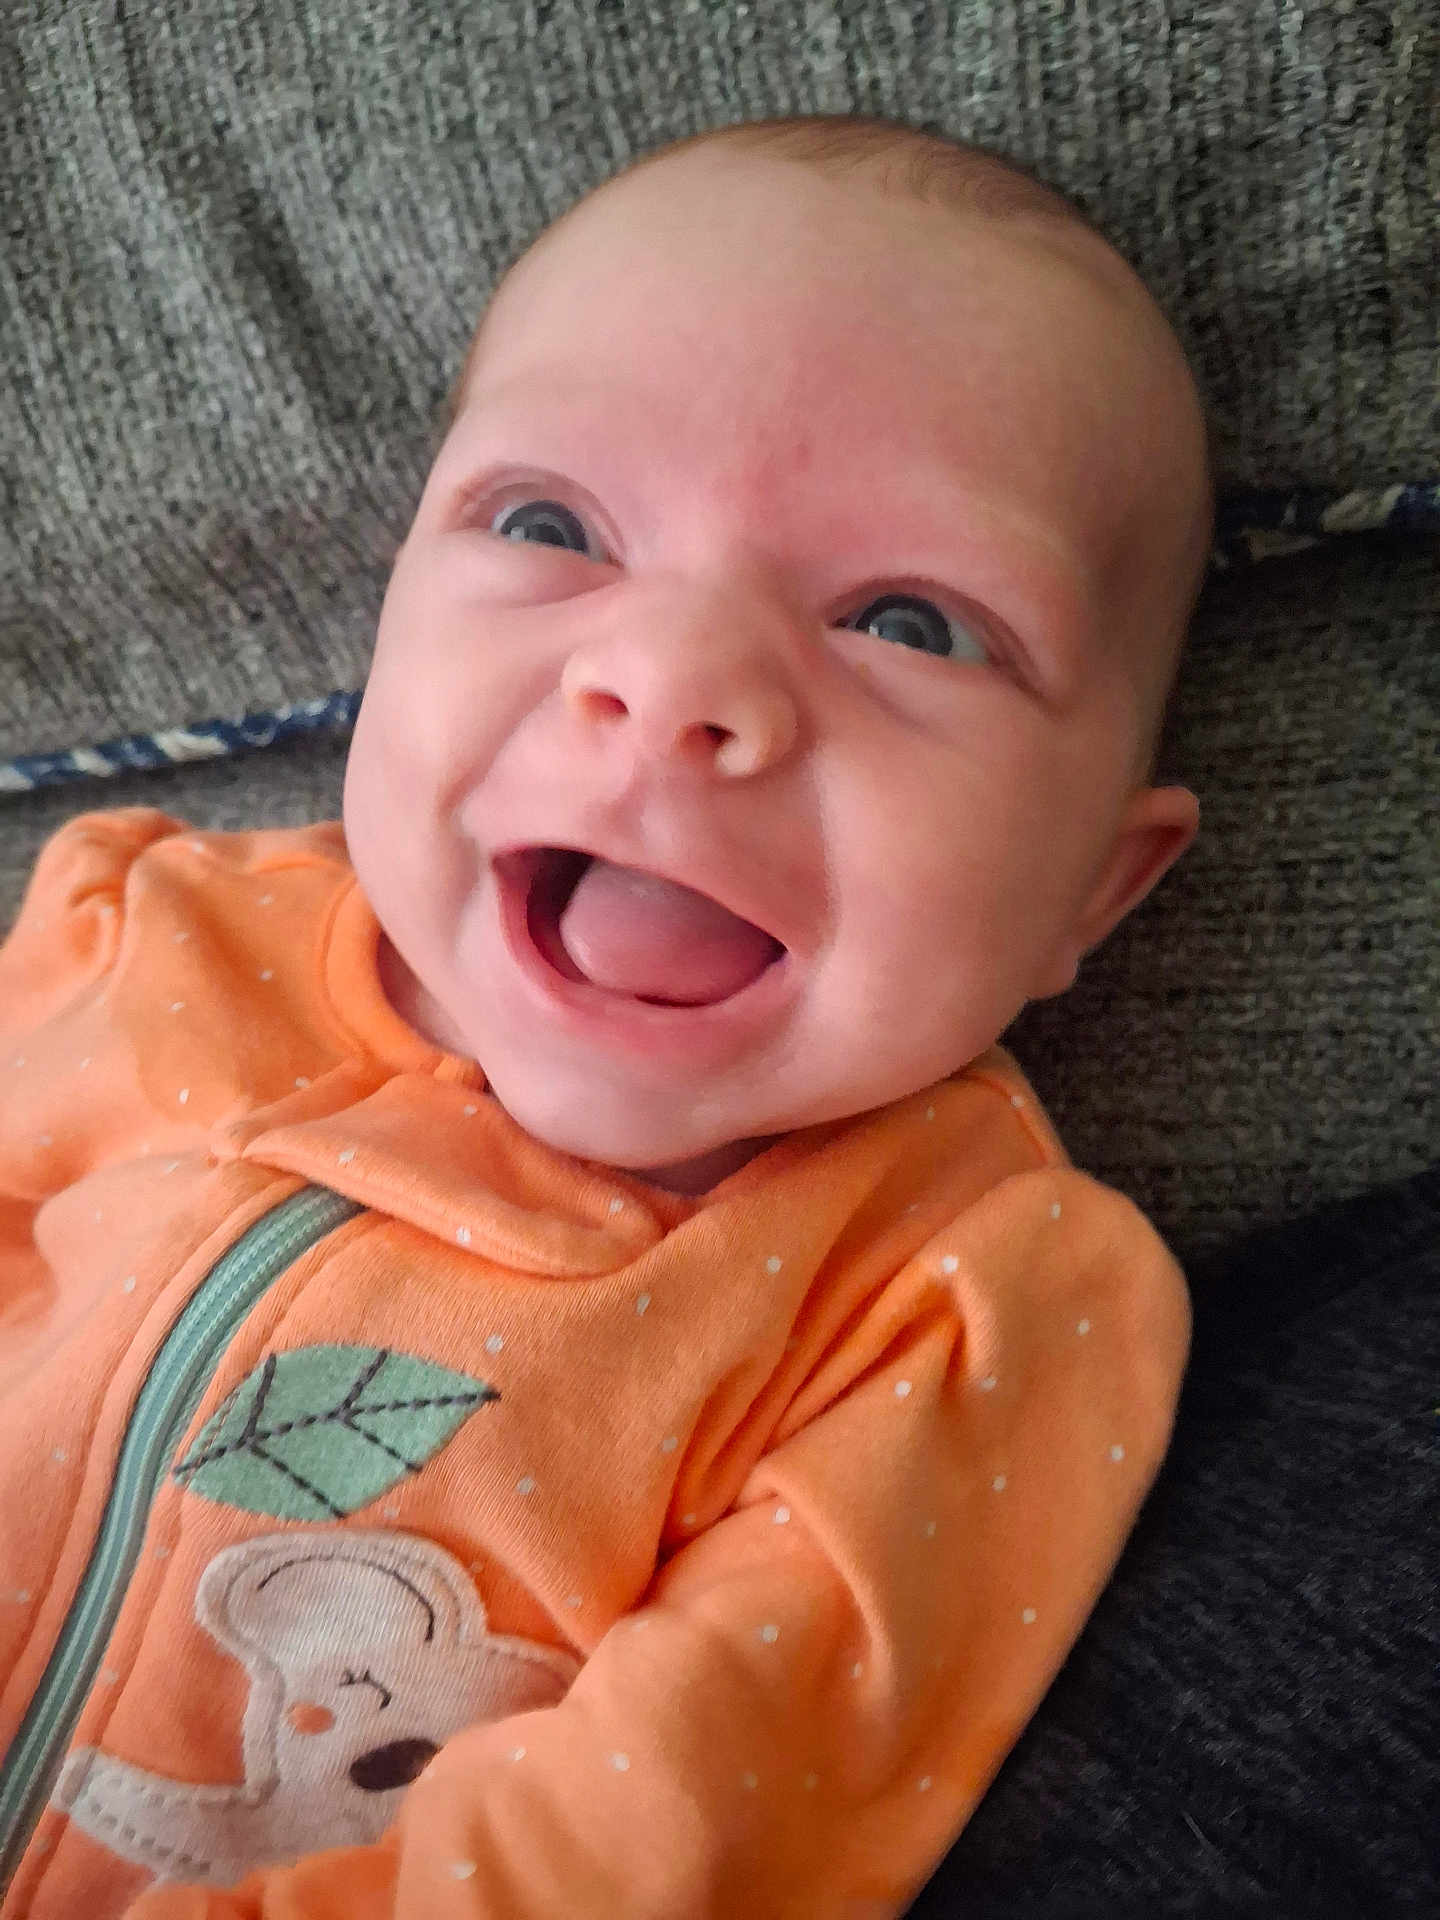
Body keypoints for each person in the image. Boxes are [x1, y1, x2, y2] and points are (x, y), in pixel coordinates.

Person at [0, 114, 1213, 1919]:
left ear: (1091, 892)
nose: (669, 679)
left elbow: (663, 1844)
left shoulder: (957, 1299)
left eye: (911, 623)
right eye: (550, 525)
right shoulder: (144, 930)